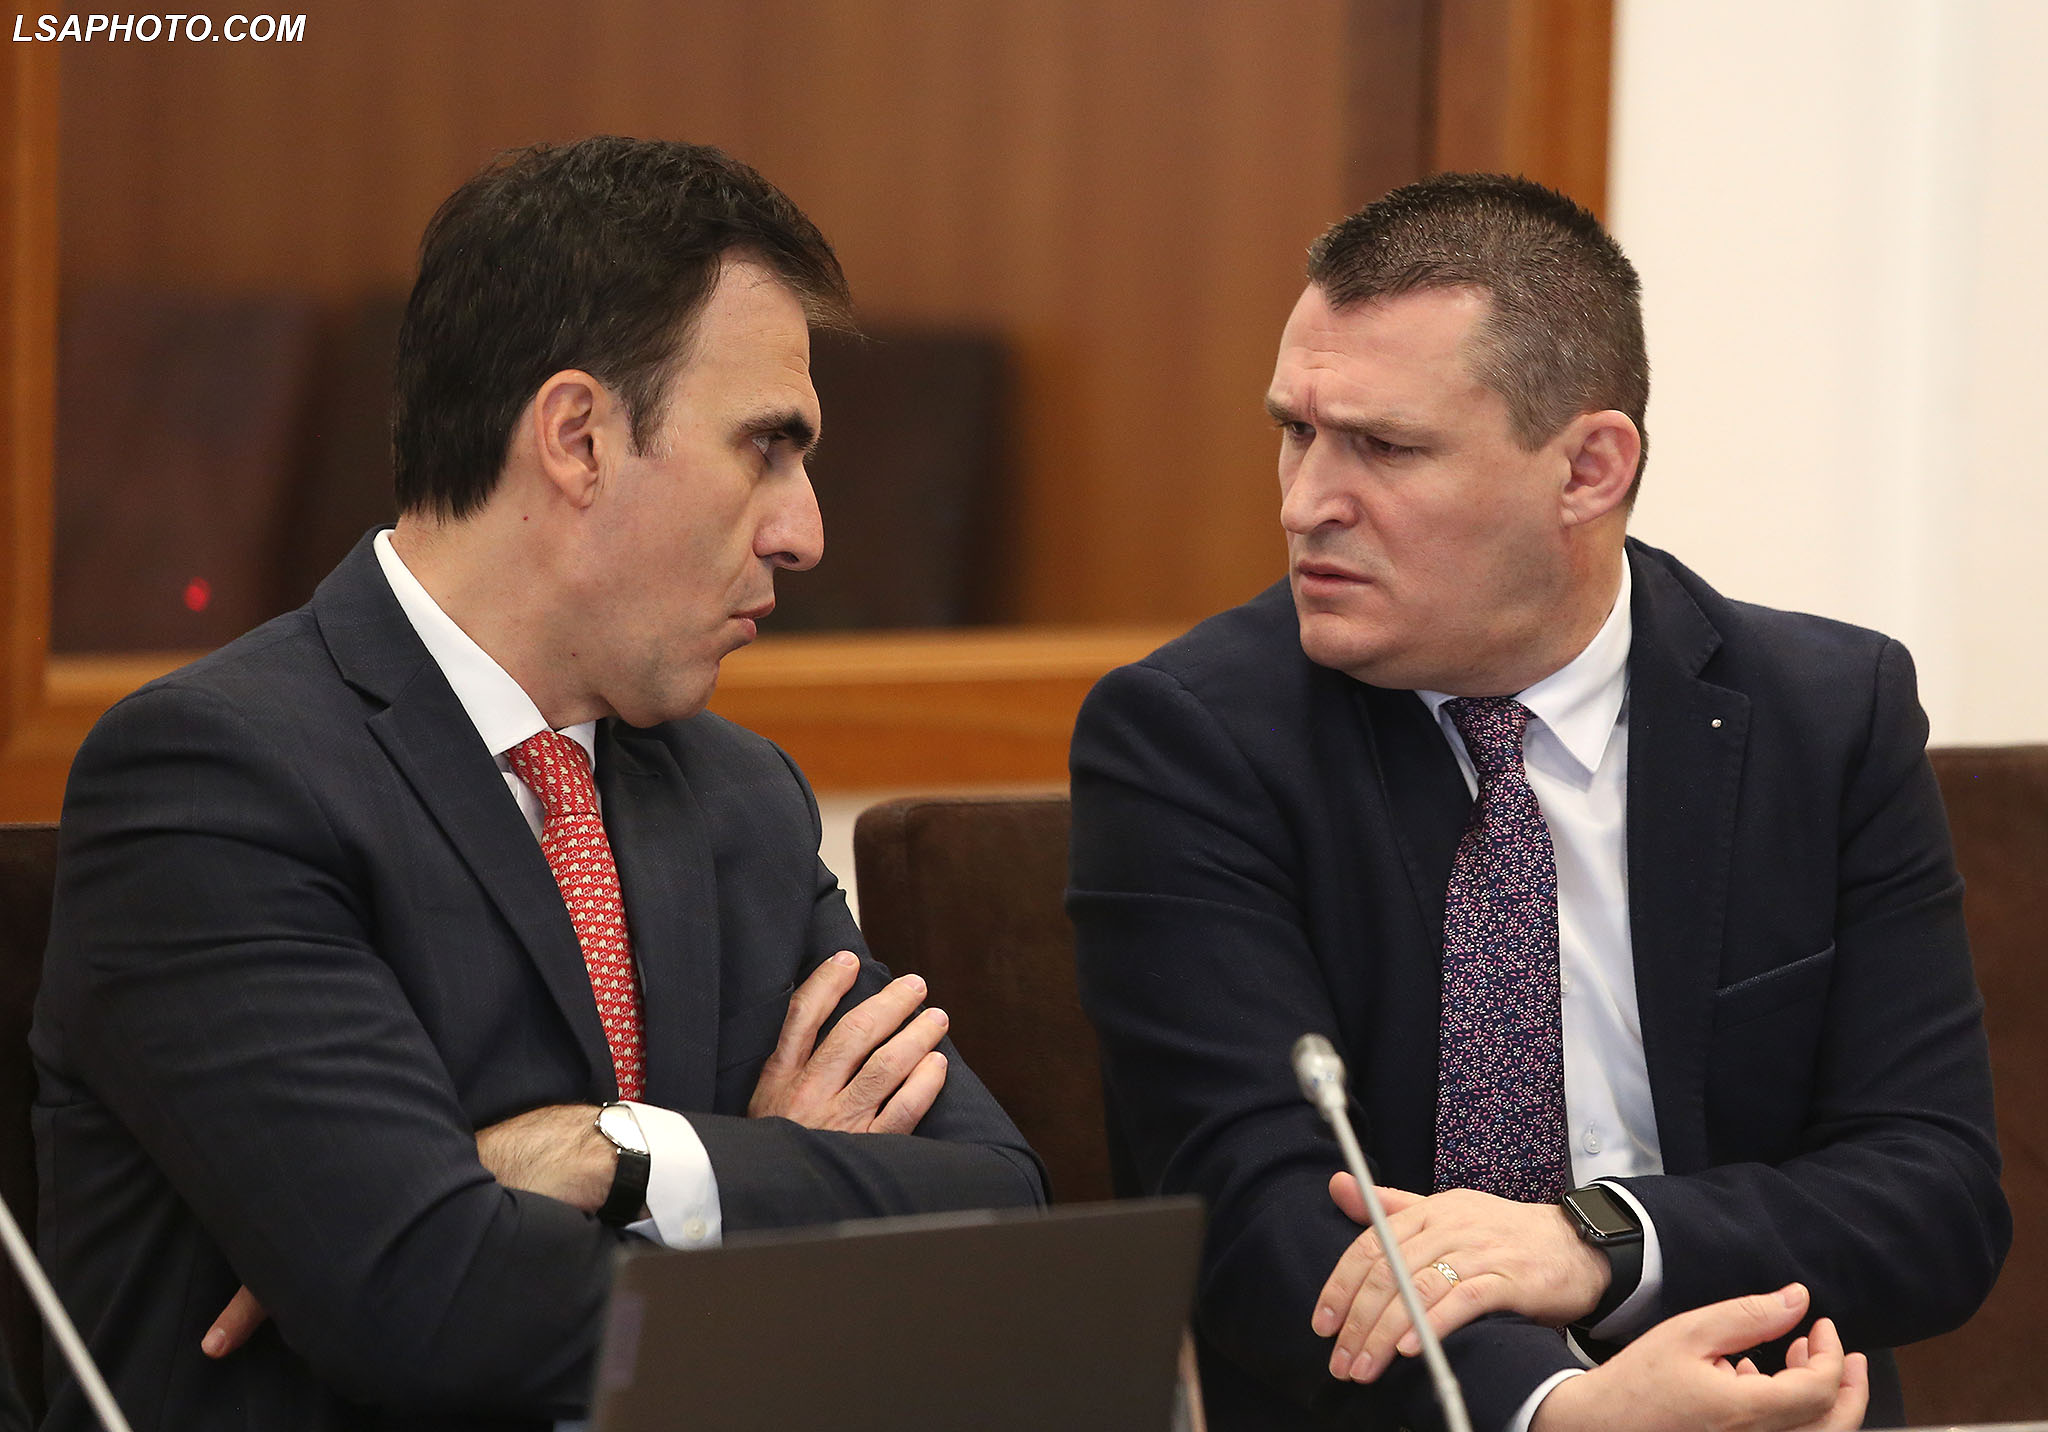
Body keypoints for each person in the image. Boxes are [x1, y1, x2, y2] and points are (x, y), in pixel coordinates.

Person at [32, 136, 1045, 1432]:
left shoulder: (734, 796)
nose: (804, 532)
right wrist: (762, 1185)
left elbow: (1000, 1218)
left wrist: (618, 1152)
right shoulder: (218, 781)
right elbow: (430, 1305)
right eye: (764, 448)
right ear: (576, 438)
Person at [1067, 173, 2006, 1431]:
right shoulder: (1190, 739)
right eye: (1296, 431)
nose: (1303, 503)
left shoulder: (1824, 715)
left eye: (1383, 448)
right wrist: (1558, 1411)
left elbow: (1932, 1194)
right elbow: (1258, 1220)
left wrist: (1599, 1242)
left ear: (1586, 468)